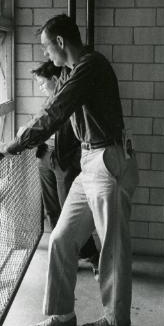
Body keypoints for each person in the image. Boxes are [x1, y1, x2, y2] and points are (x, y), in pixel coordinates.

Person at [0, 14, 138, 326]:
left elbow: (55, 112)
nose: (46, 55)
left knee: (112, 246)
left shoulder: (90, 65)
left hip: (107, 160)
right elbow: (52, 106)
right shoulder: (74, 71)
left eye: (46, 47)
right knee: (61, 239)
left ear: (60, 42)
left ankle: (117, 321)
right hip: (91, 161)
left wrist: (14, 145)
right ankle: (62, 315)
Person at [32, 61, 99, 270]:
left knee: (68, 211)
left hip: (64, 160)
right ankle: (63, 255)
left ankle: (91, 254)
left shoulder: (69, 99)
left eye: (43, 84)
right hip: (45, 157)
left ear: (55, 80)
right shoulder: (48, 102)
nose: (41, 88)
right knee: (52, 209)